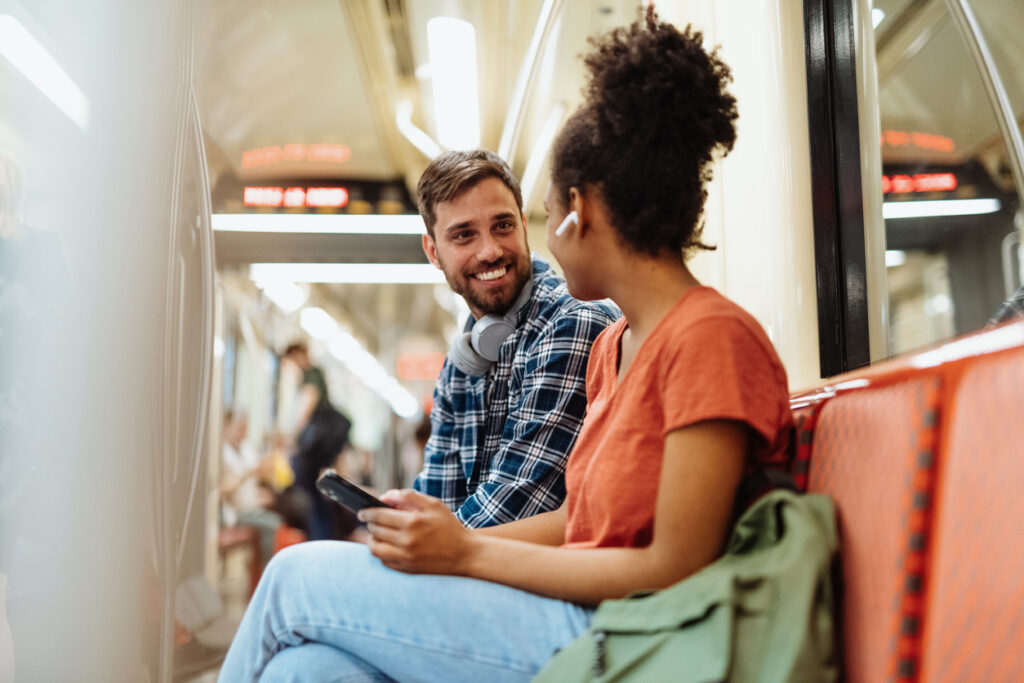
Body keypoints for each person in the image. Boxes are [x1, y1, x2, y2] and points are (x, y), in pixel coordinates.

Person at [219, 10, 793, 681]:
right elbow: (582, 517)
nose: (534, 243)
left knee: (293, 576)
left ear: (580, 212)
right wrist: (446, 539)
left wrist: (462, 553)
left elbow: (675, 567)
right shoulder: (616, 347)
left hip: (629, 633)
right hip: (576, 609)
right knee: (308, 670)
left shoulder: (710, 340)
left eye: (535, 215)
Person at [414, 149, 619, 527]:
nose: (490, 251)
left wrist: (421, 545)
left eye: (503, 226)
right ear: (433, 251)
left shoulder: (572, 324)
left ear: (524, 227)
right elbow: (436, 500)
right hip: (476, 570)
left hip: (540, 579)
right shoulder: (463, 362)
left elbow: (513, 509)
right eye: (463, 235)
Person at [281, 342, 354, 541]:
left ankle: (318, 539)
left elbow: (308, 404)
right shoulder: (317, 374)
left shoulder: (311, 375)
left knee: (311, 499)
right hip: (321, 450)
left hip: (312, 451)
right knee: (319, 497)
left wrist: (294, 436)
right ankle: (324, 538)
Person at [220, 410, 283, 565]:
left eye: (245, 426)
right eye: (240, 426)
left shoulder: (246, 449)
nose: (243, 430)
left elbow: (261, 470)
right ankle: (266, 570)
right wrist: (248, 473)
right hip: (234, 513)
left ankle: (264, 570)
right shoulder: (222, 453)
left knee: (281, 512)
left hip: (252, 507)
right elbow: (225, 489)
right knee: (272, 523)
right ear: (228, 426)